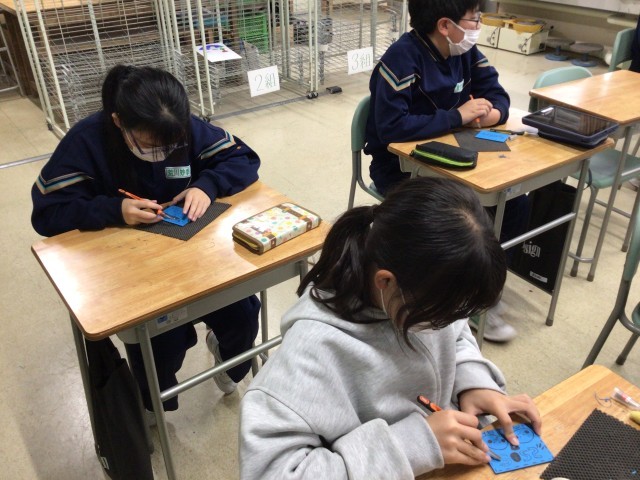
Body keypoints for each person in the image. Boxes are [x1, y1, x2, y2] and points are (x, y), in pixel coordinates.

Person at [239, 177, 541, 480]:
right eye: (439, 316)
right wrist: (414, 445)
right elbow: (274, 473)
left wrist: (473, 383)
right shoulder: (310, 355)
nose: (445, 323)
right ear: (385, 281)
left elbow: (456, 333)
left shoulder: (423, 291)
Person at [31, 65, 261, 413]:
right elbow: (48, 213)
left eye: (173, 144)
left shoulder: (179, 125)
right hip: (132, 272)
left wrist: (207, 185)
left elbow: (243, 158)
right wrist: (114, 209)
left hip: (199, 258)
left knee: (243, 317)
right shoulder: (86, 140)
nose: (163, 153)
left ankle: (228, 361)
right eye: (150, 145)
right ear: (118, 122)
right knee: (160, 348)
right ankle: (155, 405)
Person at [363, 0, 529, 342]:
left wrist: (493, 114)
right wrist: (458, 116)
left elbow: (496, 93)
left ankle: (484, 287)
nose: (478, 26)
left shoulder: (464, 51)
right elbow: (391, 128)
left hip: (452, 152)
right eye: (474, 19)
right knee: (458, 216)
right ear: (444, 25)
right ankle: (457, 296)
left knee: (515, 202)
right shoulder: (401, 59)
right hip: (399, 167)